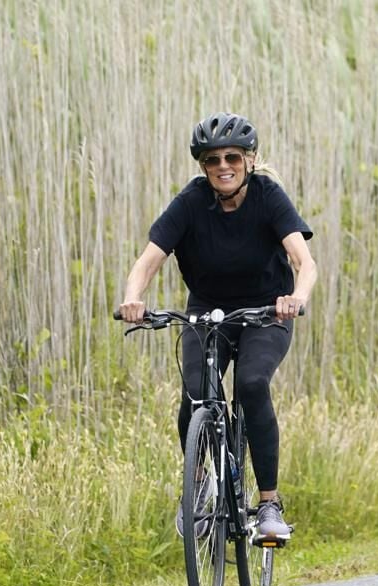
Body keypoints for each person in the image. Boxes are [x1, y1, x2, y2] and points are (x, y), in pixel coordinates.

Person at [119, 112, 317, 541]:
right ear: (203, 167)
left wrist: (295, 298)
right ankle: (201, 486)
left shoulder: (268, 196)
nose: (223, 166)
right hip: (208, 311)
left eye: (232, 157)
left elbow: (304, 262)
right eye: (212, 160)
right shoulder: (191, 202)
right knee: (196, 389)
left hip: (267, 312)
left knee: (251, 383)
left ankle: (268, 504)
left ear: (249, 160)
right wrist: (134, 297)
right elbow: (149, 260)